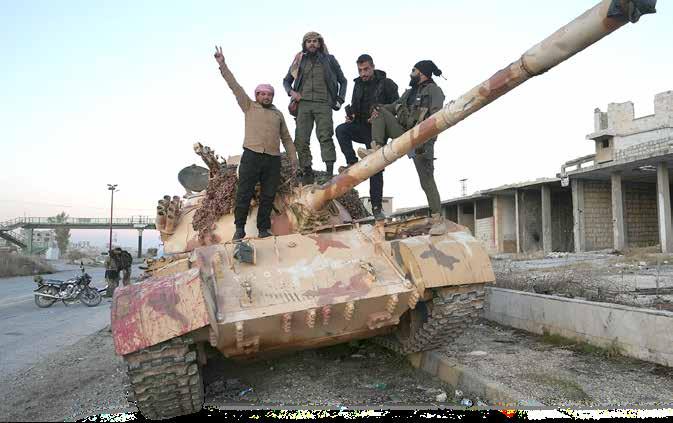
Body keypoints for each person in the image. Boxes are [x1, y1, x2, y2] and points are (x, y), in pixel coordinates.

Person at [214, 46, 299, 240]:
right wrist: (223, 65)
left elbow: (286, 138)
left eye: (269, 94)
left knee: (268, 196)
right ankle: (239, 228)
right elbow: (234, 86)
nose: (266, 97)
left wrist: (294, 159)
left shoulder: (278, 114)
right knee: (244, 193)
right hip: (251, 155)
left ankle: (263, 229)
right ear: (257, 95)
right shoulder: (249, 106)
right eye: (262, 94)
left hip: (273, 159)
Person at [360, 60, 447, 235]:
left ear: (422, 73)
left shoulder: (434, 91)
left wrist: (427, 141)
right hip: (403, 133)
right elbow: (393, 107)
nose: (411, 73)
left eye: (414, 70)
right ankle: (376, 148)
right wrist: (376, 108)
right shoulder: (410, 92)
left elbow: (436, 118)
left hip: (421, 138)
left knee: (426, 181)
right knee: (379, 110)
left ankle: (438, 220)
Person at [335, 54, 398, 220]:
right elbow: (356, 106)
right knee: (341, 130)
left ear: (373, 67)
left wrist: (381, 111)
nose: (363, 73)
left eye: (366, 69)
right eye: (360, 70)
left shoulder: (387, 83)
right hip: (361, 126)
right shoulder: (357, 85)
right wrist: (351, 116)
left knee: (375, 167)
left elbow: (397, 106)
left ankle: (377, 207)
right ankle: (352, 162)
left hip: (377, 130)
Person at [283, 31, 347, 184]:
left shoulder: (329, 59)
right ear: (305, 44)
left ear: (320, 43)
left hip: (323, 103)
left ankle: (329, 172)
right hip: (303, 104)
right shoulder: (299, 60)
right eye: (309, 41)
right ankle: (307, 171)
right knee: (301, 139)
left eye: (315, 41)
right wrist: (292, 92)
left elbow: (343, 81)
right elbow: (286, 81)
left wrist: (339, 99)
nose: (312, 43)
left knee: (325, 136)